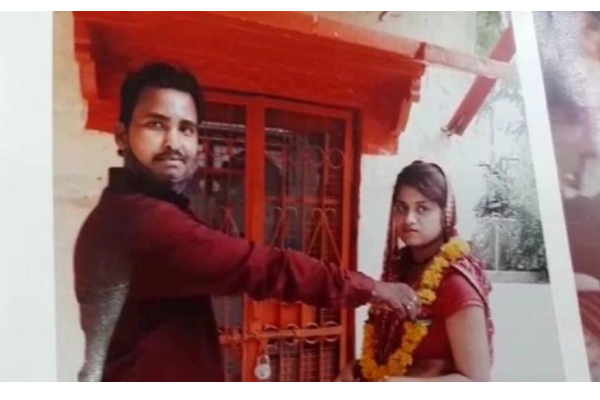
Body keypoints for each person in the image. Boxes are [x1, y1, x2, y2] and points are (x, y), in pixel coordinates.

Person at [74, 62, 418, 382]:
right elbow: (264, 266)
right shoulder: (141, 220)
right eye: (156, 124)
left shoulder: (140, 209)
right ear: (121, 135)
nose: (174, 142)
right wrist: (372, 288)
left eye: (186, 129)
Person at [336, 161, 494, 382]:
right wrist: (357, 369)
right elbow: (393, 357)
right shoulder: (398, 271)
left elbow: (477, 382)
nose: (409, 219)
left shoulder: (455, 282)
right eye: (401, 208)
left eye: (422, 208)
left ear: (445, 214)